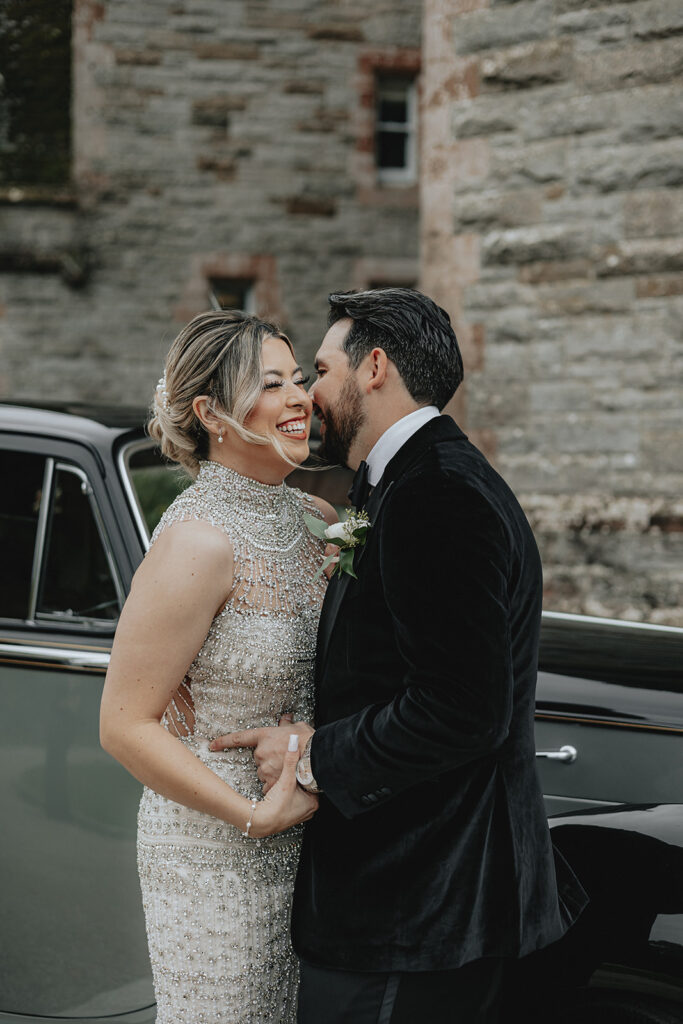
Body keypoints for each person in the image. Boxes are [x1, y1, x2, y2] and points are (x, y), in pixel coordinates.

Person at [212, 288, 588, 1024]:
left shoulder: (436, 494)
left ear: (374, 367)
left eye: (319, 370)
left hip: (415, 905)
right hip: (412, 900)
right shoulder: (404, 480)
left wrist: (313, 754)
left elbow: (462, 709)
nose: (310, 393)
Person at [99, 310, 336, 1024]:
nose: (300, 397)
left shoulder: (319, 521)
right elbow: (124, 725)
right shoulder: (196, 542)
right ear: (211, 413)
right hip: (214, 849)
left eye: (300, 379)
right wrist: (254, 816)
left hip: (314, 840)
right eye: (271, 384)